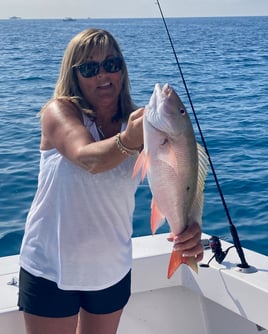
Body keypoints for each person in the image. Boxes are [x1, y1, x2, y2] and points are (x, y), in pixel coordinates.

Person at [18, 28, 204, 334]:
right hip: (50, 267)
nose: (103, 75)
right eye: (90, 69)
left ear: (122, 69)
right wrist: (130, 140)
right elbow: (87, 157)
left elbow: (180, 176)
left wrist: (191, 226)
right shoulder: (59, 113)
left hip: (111, 270)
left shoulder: (144, 126)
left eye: (112, 64)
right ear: (74, 75)